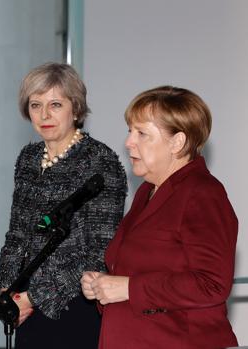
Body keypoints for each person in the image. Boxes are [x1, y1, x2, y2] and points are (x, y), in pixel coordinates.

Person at [81, 86, 238, 349]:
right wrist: (102, 286)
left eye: (141, 133)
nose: (129, 142)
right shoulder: (147, 191)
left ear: (177, 142)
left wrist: (129, 288)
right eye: (130, 131)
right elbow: (134, 272)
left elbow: (212, 284)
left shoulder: (203, 192)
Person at [0, 62, 127, 349]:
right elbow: (16, 236)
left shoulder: (100, 162)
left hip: (73, 305)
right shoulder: (27, 159)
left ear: (75, 109)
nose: (44, 115)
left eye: (55, 104)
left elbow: (99, 252)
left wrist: (32, 297)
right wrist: (4, 291)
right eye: (35, 105)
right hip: (25, 309)